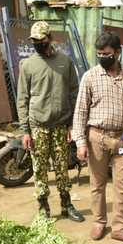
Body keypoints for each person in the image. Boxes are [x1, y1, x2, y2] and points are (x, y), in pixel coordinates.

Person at [72, 31, 123, 244]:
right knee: (97, 183)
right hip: (97, 138)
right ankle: (99, 222)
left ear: (117, 52)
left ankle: (120, 228)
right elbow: (80, 112)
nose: (103, 57)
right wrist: (80, 142)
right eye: (99, 54)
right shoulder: (90, 77)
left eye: (107, 54)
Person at [16, 21, 84, 222]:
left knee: (63, 168)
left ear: (49, 38)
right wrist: (25, 131)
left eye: (41, 40)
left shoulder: (65, 62)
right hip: (38, 126)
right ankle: (43, 208)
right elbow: (23, 99)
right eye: (34, 41)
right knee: (40, 169)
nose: (38, 43)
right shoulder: (27, 65)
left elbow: (74, 93)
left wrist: (73, 124)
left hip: (61, 125)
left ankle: (66, 204)